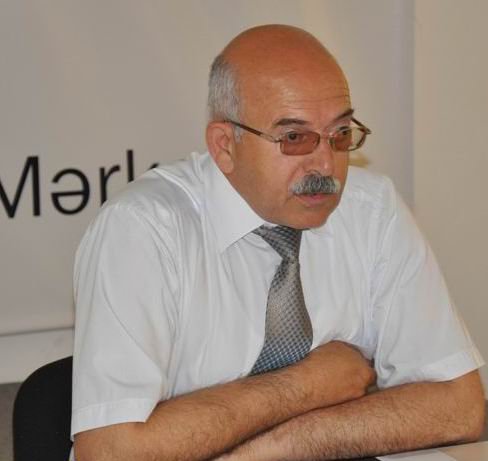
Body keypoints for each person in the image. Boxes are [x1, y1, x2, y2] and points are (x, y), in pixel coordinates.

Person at [71, 25, 485, 461]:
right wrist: (307, 384)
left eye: (340, 134)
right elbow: (111, 451)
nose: (325, 165)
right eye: (294, 138)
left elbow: (460, 407)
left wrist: (274, 447)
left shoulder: (372, 208)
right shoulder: (142, 229)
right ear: (225, 146)